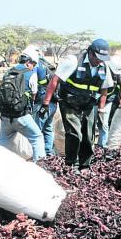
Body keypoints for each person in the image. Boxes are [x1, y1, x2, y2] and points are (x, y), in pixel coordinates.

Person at [40, 38, 113, 173]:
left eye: (102, 58)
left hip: (89, 103)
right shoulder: (73, 61)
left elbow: (104, 89)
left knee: (88, 135)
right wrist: (46, 103)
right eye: (97, 57)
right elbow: (54, 81)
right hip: (69, 102)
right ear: (90, 52)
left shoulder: (104, 67)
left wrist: (102, 109)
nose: (99, 61)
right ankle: (71, 164)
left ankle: (85, 165)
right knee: (74, 133)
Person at [0, 46, 45, 161]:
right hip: (21, 115)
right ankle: (41, 167)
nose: (34, 66)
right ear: (28, 62)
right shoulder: (30, 73)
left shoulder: (8, 72)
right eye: (33, 64)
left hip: (5, 115)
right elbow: (34, 93)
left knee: (2, 140)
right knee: (37, 137)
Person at [31, 47, 58, 157]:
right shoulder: (47, 64)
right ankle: (49, 152)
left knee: (37, 129)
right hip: (53, 102)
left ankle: (39, 155)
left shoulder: (36, 66)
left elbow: (34, 87)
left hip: (42, 103)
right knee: (48, 128)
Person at [96, 56, 121, 148]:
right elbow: (103, 91)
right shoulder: (101, 69)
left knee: (104, 124)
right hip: (94, 99)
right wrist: (101, 108)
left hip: (107, 101)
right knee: (92, 124)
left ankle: (102, 145)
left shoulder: (117, 73)